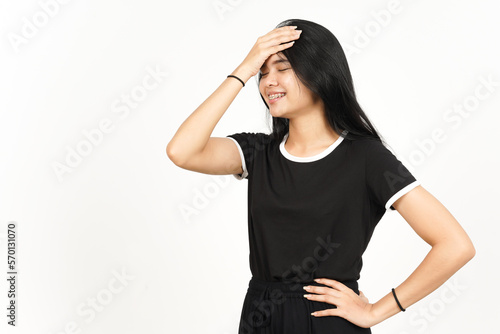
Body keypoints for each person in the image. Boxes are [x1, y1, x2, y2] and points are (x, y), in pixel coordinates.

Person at [166, 18, 475, 334]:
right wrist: (244, 68)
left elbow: (454, 245)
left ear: (320, 72)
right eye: (263, 72)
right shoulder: (258, 153)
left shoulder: (366, 157)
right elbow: (182, 151)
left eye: (282, 68)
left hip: (327, 322)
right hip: (260, 317)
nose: (268, 81)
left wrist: (377, 311)